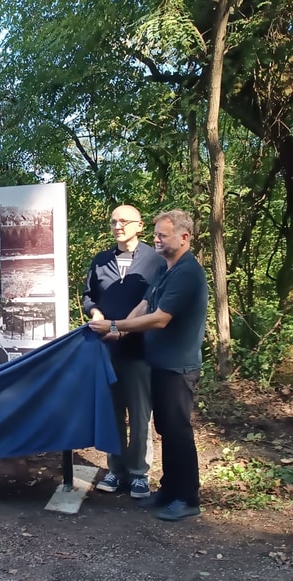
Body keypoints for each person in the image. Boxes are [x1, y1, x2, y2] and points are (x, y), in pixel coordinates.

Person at [89, 209, 208, 521]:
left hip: (178, 367)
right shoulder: (166, 269)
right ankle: (169, 490)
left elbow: (160, 318)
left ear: (185, 238)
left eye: (163, 234)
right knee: (166, 429)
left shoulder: (187, 272)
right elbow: (145, 303)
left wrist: (115, 325)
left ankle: (187, 498)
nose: (157, 239)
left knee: (179, 431)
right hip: (160, 364)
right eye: (156, 234)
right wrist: (117, 329)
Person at [82, 204, 166, 499]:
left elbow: (154, 301)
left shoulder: (155, 260)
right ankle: (115, 470)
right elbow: (88, 296)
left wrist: (121, 328)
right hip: (106, 351)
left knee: (141, 413)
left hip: (141, 350)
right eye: (113, 221)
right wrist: (94, 312)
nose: (117, 226)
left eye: (124, 221)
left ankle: (139, 473)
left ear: (140, 225)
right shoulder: (101, 260)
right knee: (113, 412)